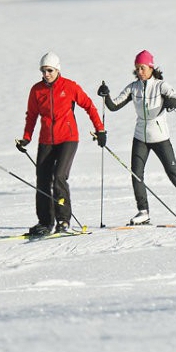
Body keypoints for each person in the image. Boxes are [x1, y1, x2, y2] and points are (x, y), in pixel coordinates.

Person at [98, 50, 176, 226]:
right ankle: (143, 212)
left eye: (142, 68)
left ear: (150, 67)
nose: (139, 72)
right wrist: (106, 95)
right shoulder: (133, 87)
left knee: (174, 175)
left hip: (160, 137)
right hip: (140, 136)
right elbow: (113, 106)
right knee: (136, 174)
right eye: (137, 68)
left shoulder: (160, 86)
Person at [16, 51, 106, 237]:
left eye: (49, 70)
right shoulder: (36, 90)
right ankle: (45, 222)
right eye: (43, 71)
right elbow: (31, 115)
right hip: (46, 140)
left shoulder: (69, 86)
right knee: (42, 180)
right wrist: (26, 137)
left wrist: (100, 130)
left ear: (57, 69)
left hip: (68, 139)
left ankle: (63, 220)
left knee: (59, 178)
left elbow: (89, 105)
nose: (46, 74)